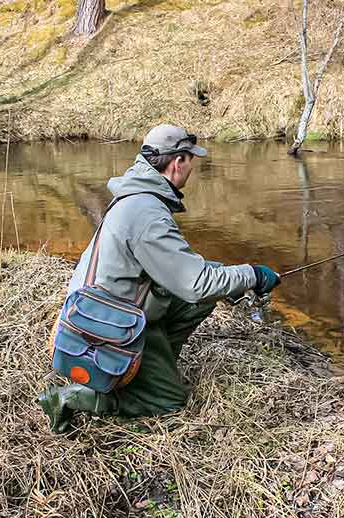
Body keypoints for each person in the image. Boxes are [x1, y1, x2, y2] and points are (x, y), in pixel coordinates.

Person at [38, 124, 281, 433]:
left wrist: (229, 281)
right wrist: (253, 275)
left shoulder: (136, 195)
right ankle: (72, 398)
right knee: (170, 400)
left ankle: (152, 368)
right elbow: (196, 284)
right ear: (177, 162)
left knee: (207, 291)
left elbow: (185, 272)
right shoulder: (148, 213)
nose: (192, 167)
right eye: (191, 159)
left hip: (98, 310)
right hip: (105, 326)